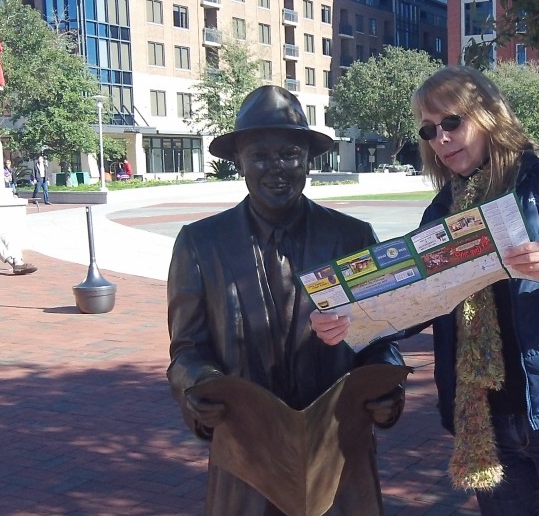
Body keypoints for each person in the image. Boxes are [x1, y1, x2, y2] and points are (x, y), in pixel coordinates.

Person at [312, 66, 539, 516]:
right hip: (486, 424)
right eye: (429, 130)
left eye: (452, 122)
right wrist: (352, 321)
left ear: (489, 115)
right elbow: (420, 301)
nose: (440, 138)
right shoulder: (442, 210)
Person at [167, 85, 407, 516]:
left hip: (336, 458)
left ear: (307, 160)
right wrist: (197, 388)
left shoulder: (352, 238)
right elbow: (187, 349)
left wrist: (387, 382)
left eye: (289, 154)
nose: (276, 168)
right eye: (260, 155)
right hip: (246, 460)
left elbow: (378, 337)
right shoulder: (200, 244)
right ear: (239, 161)